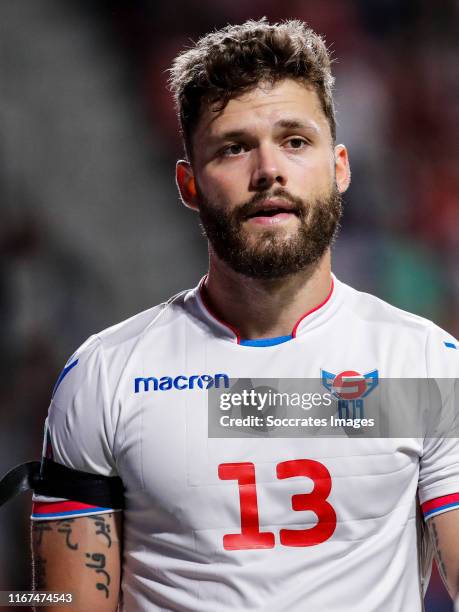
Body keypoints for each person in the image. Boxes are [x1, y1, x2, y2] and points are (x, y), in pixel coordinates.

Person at [30, 18, 459, 612]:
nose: (269, 171)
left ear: (339, 167)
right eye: (234, 147)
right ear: (189, 184)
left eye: (295, 141)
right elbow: (62, 604)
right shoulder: (104, 376)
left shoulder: (424, 367)